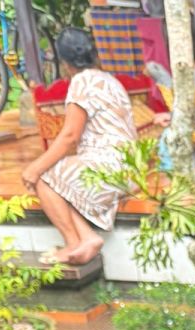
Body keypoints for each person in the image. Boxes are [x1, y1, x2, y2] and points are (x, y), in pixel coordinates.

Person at [20, 26, 137, 267]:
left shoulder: (82, 82)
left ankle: (74, 243)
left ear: (64, 62)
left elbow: (70, 136)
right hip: (129, 169)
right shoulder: (109, 79)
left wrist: (34, 167)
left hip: (109, 168)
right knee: (59, 178)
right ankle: (87, 238)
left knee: (45, 178)